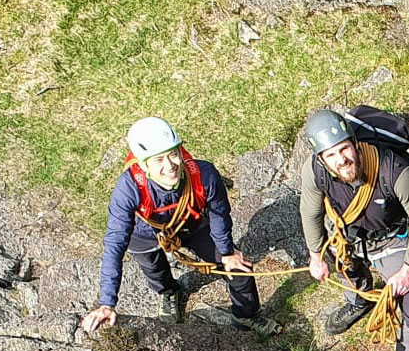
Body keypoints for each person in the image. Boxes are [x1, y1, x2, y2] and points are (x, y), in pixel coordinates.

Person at [81, 117, 277, 336]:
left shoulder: (204, 175)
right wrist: (107, 302)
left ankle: (246, 316)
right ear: (143, 164)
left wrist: (226, 251)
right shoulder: (129, 188)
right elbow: (115, 245)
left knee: (239, 270)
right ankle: (169, 292)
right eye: (158, 160)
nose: (170, 166)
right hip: (144, 234)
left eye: (173, 154)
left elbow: (219, 216)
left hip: (189, 222)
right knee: (155, 272)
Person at [298, 108, 409, 351]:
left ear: (355, 143)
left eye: (344, 149)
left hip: (393, 241)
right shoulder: (314, 171)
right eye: (331, 155)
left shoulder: (395, 172)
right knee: (349, 271)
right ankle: (359, 300)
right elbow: (310, 211)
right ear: (321, 158)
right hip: (347, 241)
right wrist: (316, 255)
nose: (341, 160)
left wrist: (408, 269)